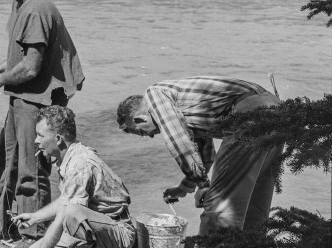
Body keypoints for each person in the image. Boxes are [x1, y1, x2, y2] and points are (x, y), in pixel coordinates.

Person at [0, 0, 84, 248]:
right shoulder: (21, 1)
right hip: (22, 94)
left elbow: (32, 67)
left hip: (39, 99)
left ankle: (33, 234)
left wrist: (0, 80)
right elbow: (20, 56)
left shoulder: (37, 9)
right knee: (4, 161)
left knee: (30, 168)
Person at [116, 77, 282, 238]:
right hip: (275, 110)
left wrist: (203, 184)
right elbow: (204, 151)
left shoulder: (154, 94)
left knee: (219, 206)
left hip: (248, 112)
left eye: (141, 132)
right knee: (254, 202)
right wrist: (185, 187)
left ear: (139, 118)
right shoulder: (185, 107)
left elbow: (179, 141)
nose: (150, 136)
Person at [14, 106, 135, 248]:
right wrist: (35, 217)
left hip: (118, 234)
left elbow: (65, 215)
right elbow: (65, 200)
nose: (36, 141)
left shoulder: (79, 165)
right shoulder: (70, 155)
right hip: (97, 229)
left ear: (57, 139)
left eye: (40, 135)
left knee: (70, 214)